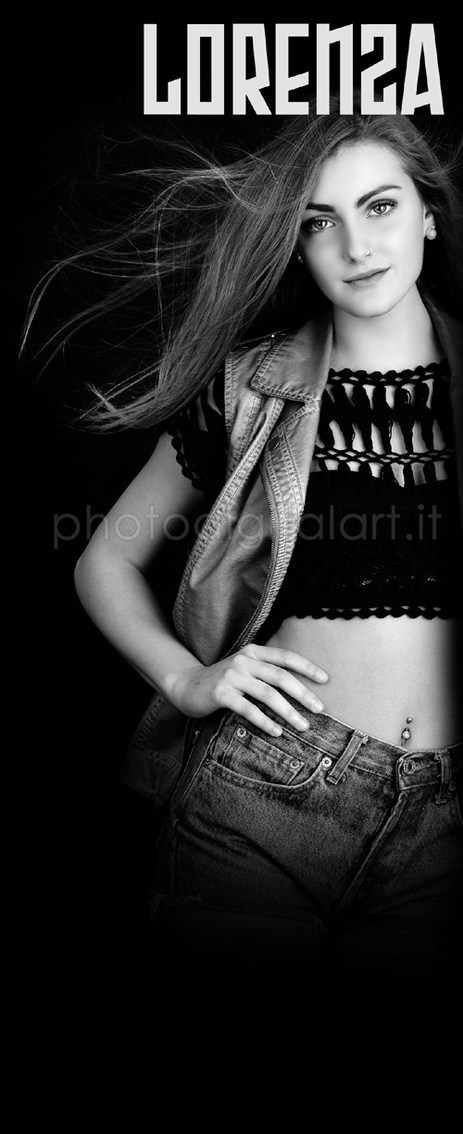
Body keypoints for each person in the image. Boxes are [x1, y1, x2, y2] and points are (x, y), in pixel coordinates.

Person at [28, 104, 463, 1051]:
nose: (355, 246)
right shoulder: (251, 385)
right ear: (296, 245)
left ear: (428, 214)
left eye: (380, 206)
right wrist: (188, 680)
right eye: (318, 221)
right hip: (268, 793)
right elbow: (105, 559)